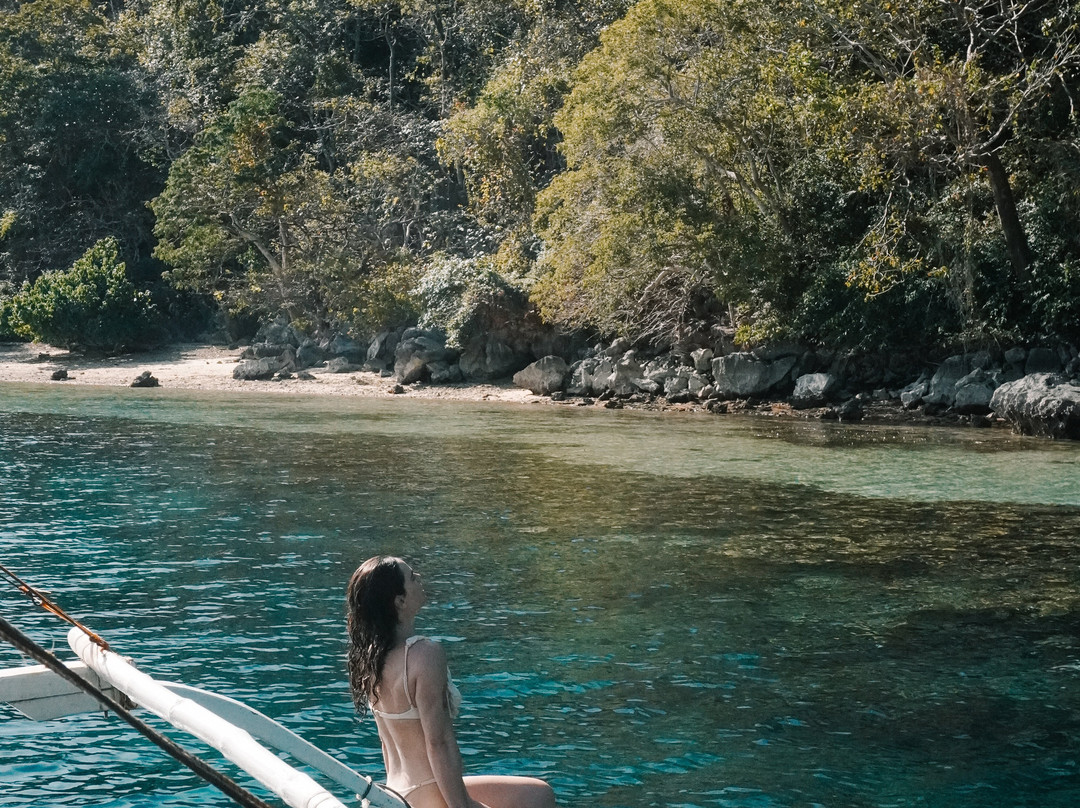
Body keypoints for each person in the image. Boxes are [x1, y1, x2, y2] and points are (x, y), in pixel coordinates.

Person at [346, 556, 557, 808]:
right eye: (412, 577)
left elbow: (386, 742)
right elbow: (439, 743)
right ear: (400, 601)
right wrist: (462, 806)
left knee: (539, 794)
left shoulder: (371, 660)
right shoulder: (425, 654)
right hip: (430, 794)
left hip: (397, 792)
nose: (419, 578)